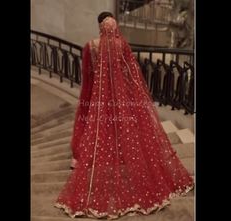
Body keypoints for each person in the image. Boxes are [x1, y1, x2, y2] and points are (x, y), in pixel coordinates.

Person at [55, 11, 194, 219]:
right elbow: (131, 77)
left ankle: (107, 165)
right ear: (114, 25)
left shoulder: (91, 47)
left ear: (99, 26)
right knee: (125, 131)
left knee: (103, 133)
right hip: (122, 101)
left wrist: (88, 104)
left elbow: (88, 79)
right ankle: (123, 161)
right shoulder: (122, 46)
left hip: (99, 101)